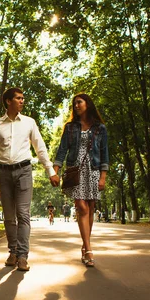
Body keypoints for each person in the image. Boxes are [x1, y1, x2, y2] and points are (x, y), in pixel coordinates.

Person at [0, 87, 60, 271]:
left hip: (24, 171)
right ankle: (13, 251)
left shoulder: (29, 123)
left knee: (23, 214)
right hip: (3, 173)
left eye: (23, 98)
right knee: (9, 217)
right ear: (8, 101)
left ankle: (22, 256)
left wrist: (50, 170)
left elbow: (40, 147)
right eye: (18, 98)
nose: (22, 101)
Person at [53, 93, 109, 267]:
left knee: (90, 208)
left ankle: (85, 246)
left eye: (79, 102)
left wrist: (103, 177)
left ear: (87, 104)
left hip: (93, 169)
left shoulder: (100, 128)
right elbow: (62, 150)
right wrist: (55, 170)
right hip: (75, 170)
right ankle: (89, 248)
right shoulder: (70, 127)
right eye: (74, 103)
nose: (76, 105)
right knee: (81, 207)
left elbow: (104, 152)